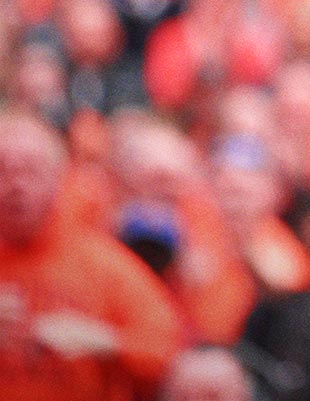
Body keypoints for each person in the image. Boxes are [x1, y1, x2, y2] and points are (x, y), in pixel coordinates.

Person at [0, 108, 182, 401]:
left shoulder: (101, 261)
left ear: (58, 180)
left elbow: (165, 346)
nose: (15, 186)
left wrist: (103, 340)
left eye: (29, 171)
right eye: (2, 170)